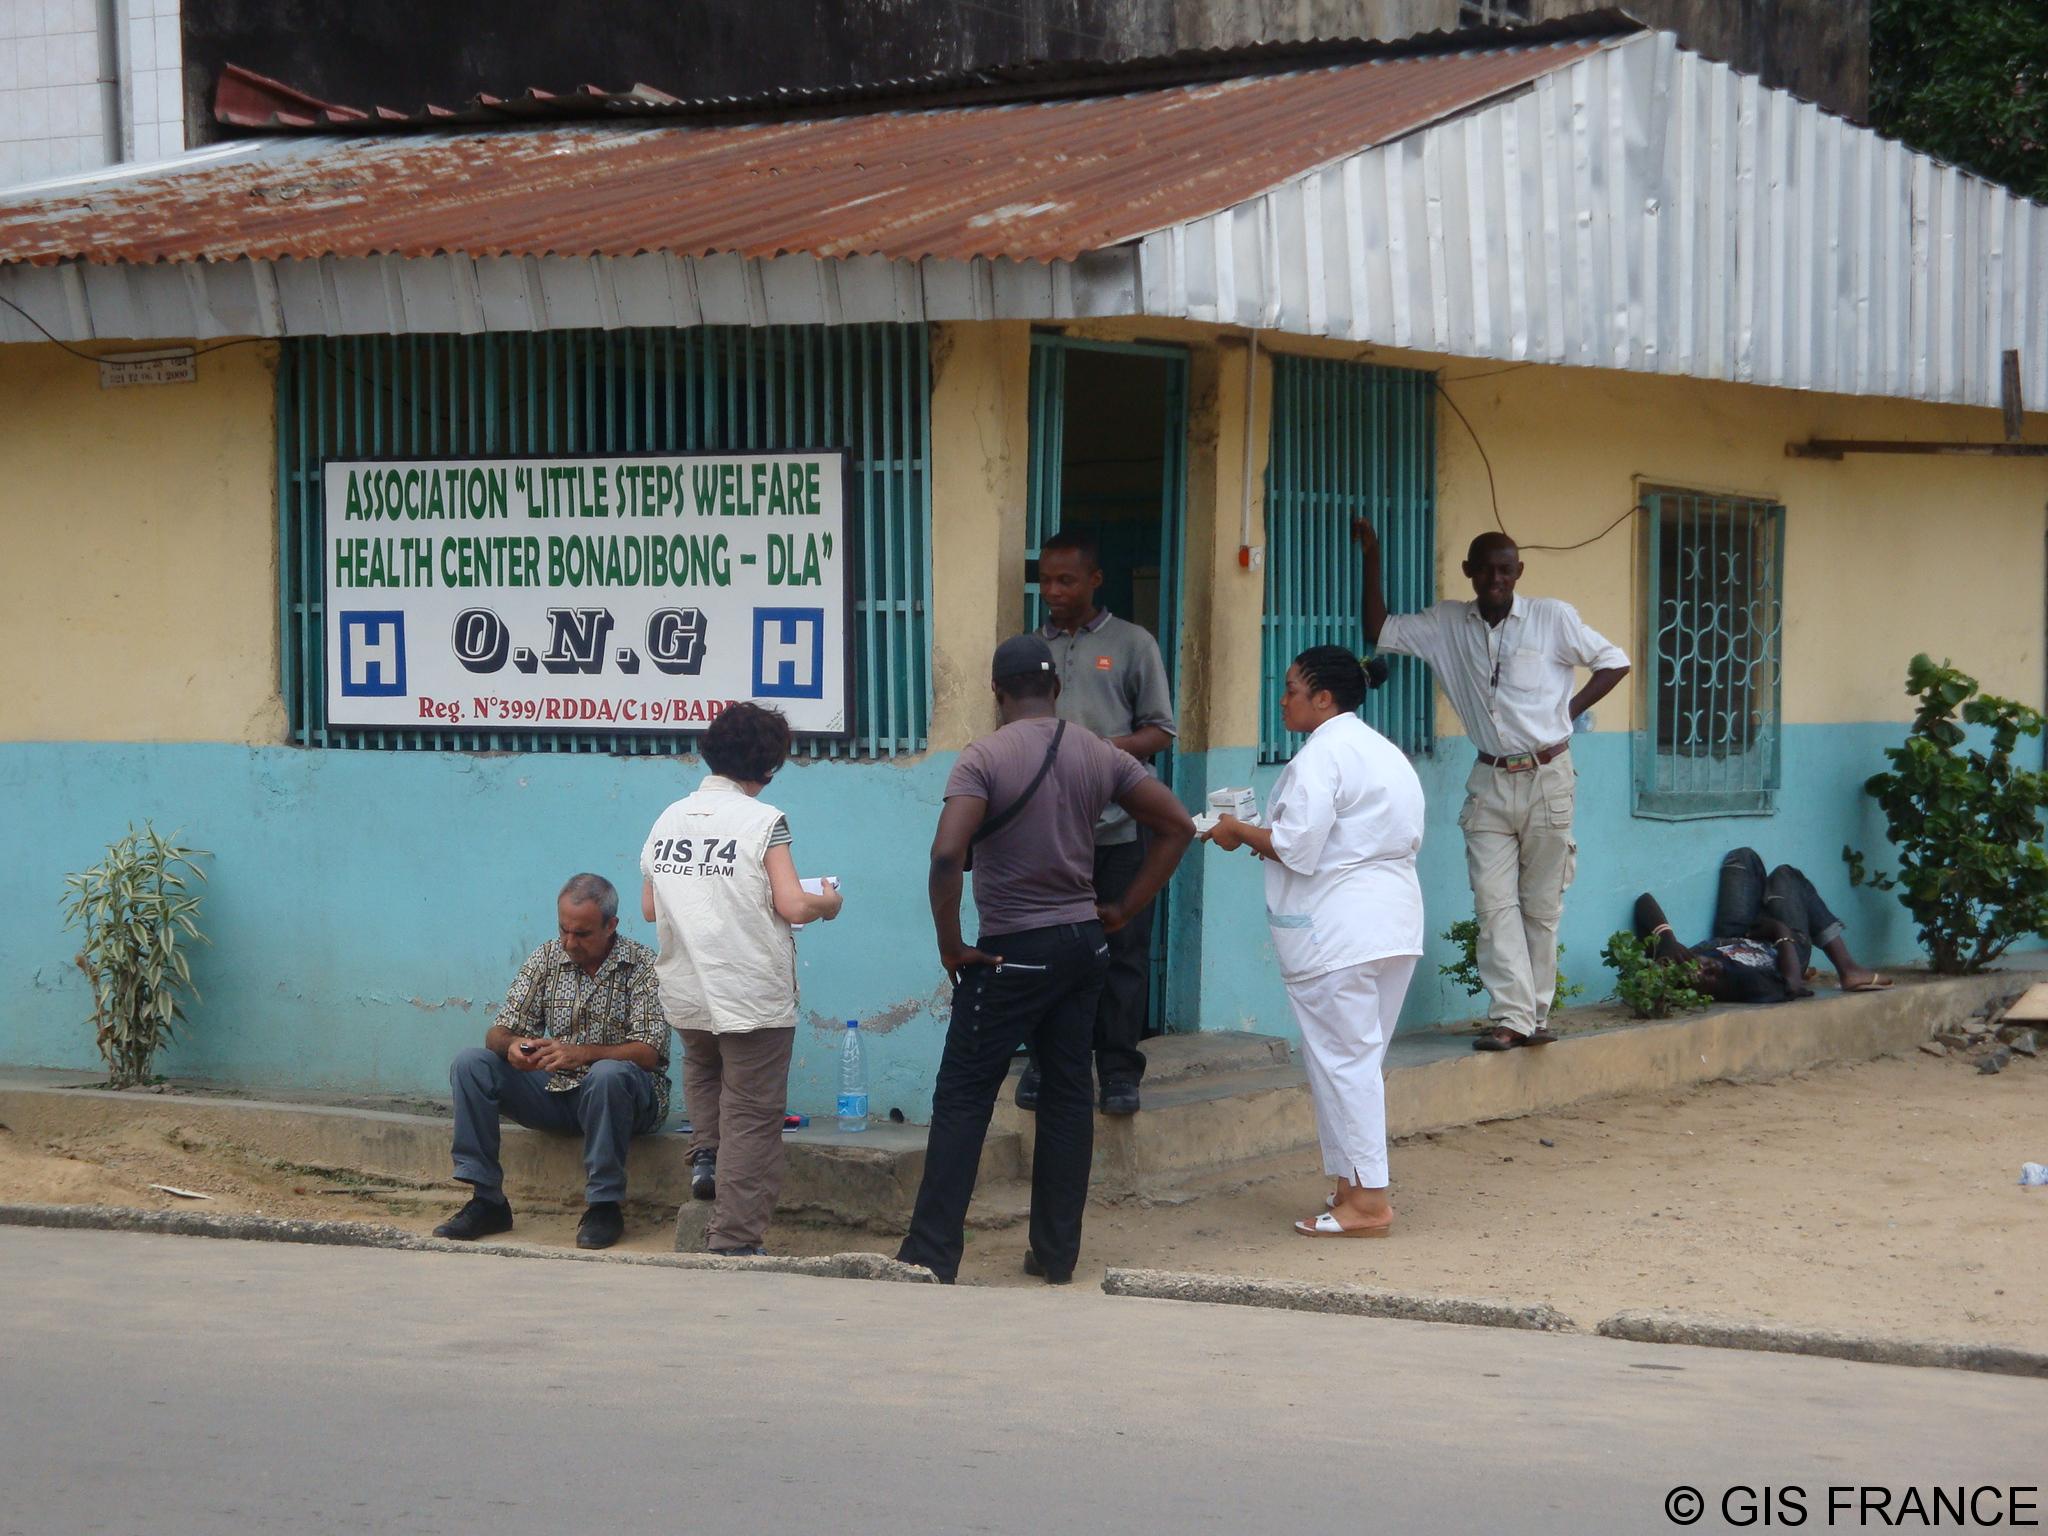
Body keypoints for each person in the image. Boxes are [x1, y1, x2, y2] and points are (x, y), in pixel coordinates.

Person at [897, 634, 1194, 1285]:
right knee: (1067, 1095)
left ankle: (930, 1255)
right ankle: (1056, 1256)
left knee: (964, 1096)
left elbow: (947, 854)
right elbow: (1177, 826)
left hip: (1010, 952)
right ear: (1056, 689)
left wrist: (950, 943)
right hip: (1084, 945)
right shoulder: (1098, 751)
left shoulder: (982, 758)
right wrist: (1124, 908)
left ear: (996, 693)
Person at [1357, 523, 1630, 1051]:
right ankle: (1511, 1016)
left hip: (1549, 776)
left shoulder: (1551, 617)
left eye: (1505, 569)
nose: (1495, 579)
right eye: (1484, 570)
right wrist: (1372, 553)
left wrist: (1567, 712)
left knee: (1541, 907)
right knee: (1493, 904)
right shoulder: (1446, 624)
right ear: (1468, 572)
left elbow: (1614, 661)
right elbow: (1379, 628)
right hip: (1490, 779)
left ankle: (1535, 1015)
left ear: (1519, 572)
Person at [1205, 647, 1425, 1238]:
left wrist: (1236, 830)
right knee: (1355, 1062)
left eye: (1291, 690)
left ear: (1323, 698)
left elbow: (1296, 847)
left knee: (1344, 1064)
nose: (1282, 701)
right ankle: (1352, 1184)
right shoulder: (1383, 752)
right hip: (1392, 924)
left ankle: (1369, 1202)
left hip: (1339, 930)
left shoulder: (1321, 755)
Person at [641, 702, 843, 1258]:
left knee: (704, 1070)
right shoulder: (764, 821)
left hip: (687, 987)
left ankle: (706, 1156)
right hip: (750, 991)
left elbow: (651, 908)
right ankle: (733, 1239)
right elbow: (792, 905)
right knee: (753, 1115)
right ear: (769, 767)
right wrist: (828, 902)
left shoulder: (668, 819)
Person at [1014, 529, 1178, 1115]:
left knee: (1123, 950)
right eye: (1046, 581)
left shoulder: (1133, 644)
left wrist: (1101, 751)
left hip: (1118, 825)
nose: (1054, 592)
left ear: (1095, 580)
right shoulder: (1030, 648)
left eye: (1066, 580)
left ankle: (1118, 1072)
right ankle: (1045, 1063)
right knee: (1048, 948)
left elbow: (1161, 730)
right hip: (1050, 830)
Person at [438, 874, 669, 1251]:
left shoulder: (643, 965)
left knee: (607, 1075)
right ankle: (487, 1200)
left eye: (582, 934)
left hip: (625, 1097)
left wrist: (583, 1053)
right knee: (471, 1064)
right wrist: (514, 1046)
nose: (569, 942)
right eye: (564, 930)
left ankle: (604, 1206)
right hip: (558, 1091)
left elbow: (649, 1052)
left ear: (611, 926)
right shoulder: (547, 957)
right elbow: (498, 1032)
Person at [1633, 847, 1892, 1004]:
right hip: (1787, 949)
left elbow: (1644, 901)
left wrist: (1666, 940)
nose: (1710, 967)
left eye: (1699, 966)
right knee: (1785, 876)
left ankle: (1770, 903)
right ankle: (1847, 968)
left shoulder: (1681, 959)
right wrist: (1780, 931)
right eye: (1710, 977)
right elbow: (1792, 985)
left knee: (1742, 858)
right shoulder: (1749, 983)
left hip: (1735, 936)